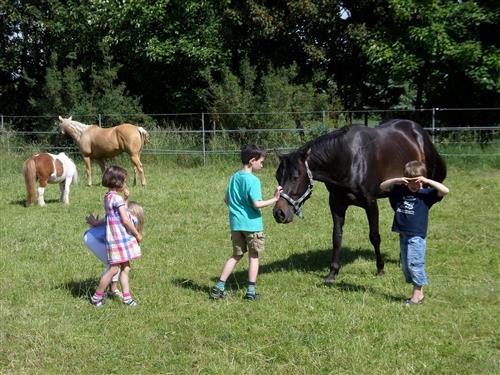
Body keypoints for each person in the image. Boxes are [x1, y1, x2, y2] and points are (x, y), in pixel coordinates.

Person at [210, 144, 282, 301]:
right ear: (252, 161)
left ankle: (219, 286)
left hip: (236, 225)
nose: (262, 165)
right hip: (252, 225)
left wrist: (237, 211)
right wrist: (275, 199)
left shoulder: (234, 177)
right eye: (261, 162)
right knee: (254, 256)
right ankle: (250, 292)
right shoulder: (253, 181)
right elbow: (256, 204)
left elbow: (226, 199)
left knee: (236, 255)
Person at [380, 160, 449, 306]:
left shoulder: (426, 195)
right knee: (406, 266)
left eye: (417, 181)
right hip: (403, 235)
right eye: (410, 181)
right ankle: (419, 293)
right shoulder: (400, 192)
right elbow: (382, 186)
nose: (414, 185)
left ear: (422, 181)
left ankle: (416, 297)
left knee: (414, 264)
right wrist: (398, 180)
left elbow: (445, 191)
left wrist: (426, 181)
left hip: (416, 237)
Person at [90, 165, 143, 307]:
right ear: (118, 182)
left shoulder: (108, 197)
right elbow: (125, 220)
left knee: (125, 268)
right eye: (124, 181)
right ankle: (97, 297)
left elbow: (116, 214)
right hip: (120, 239)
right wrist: (137, 233)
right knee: (114, 269)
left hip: (115, 239)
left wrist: (126, 199)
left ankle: (127, 298)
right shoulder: (116, 199)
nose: (125, 184)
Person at [84, 201, 144, 300]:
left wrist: (96, 223)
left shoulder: (121, 219)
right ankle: (98, 296)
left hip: (93, 237)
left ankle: (112, 290)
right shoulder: (127, 221)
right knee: (114, 264)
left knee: (117, 263)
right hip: (95, 239)